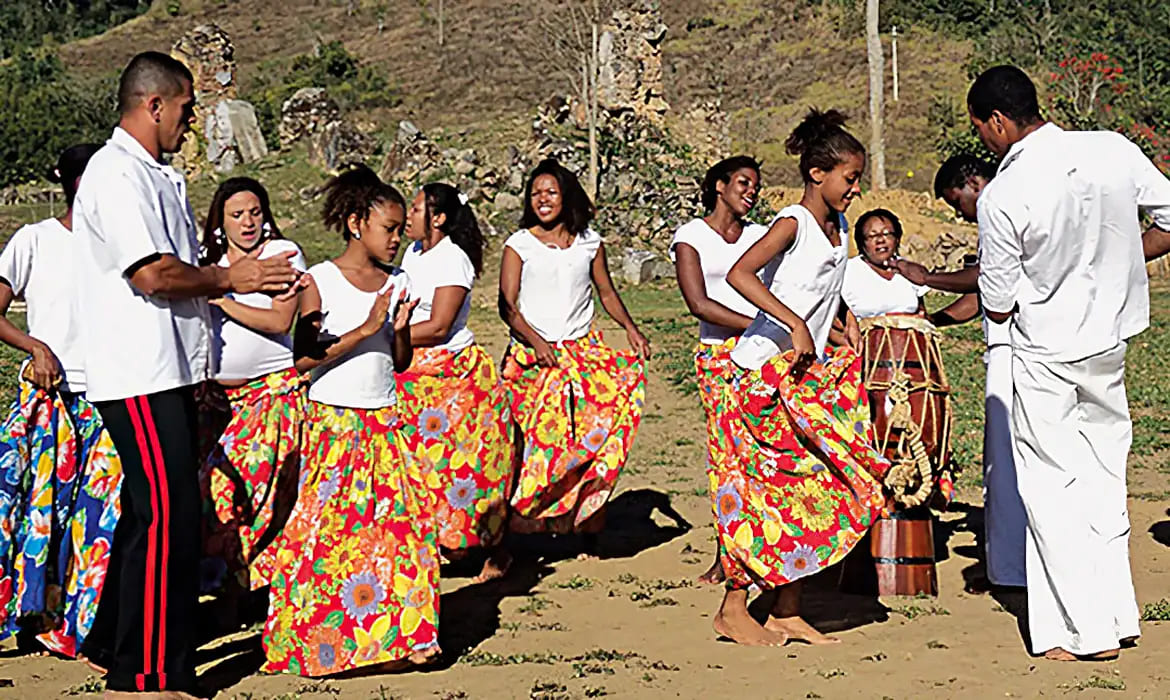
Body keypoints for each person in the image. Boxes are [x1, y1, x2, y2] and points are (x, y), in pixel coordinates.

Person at [73, 52, 297, 696]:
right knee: (169, 513)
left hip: (168, 366)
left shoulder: (156, 176)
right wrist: (236, 277)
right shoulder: (115, 174)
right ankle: (146, 669)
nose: (191, 119)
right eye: (186, 107)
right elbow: (153, 274)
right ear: (154, 105)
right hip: (136, 368)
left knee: (154, 508)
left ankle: (114, 637)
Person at [969, 65, 1170, 661]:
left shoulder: (1003, 193)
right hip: (1109, 347)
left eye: (983, 129)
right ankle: (1117, 615)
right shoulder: (1112, 149)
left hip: (1046, 355)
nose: (985, 139)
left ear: (999, 122)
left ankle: (1082, 633)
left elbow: (998, 301)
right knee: (1105, 481)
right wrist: (1116, 258)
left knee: (1052, 488)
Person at [715, 109, 890, 647]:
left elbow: (821, 295)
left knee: (813, 489)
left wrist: (839, 325)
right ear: (818, 173)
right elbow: (739, 273)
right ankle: (732, 607)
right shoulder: (791, 222)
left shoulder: (837, 228)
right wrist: (793, 323)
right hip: (758, 377)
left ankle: (787, 608)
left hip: (802, 378)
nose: (855, 189)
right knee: (760, 496)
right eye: (850, 178)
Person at [261, 165, 439, 677]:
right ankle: (316, 641)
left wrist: (398, 331)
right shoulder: (319, 280)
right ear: (357, 223)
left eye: (402, 226)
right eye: (389, 227)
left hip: (385, 419)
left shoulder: (400, 280)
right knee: (327, 537)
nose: (398, 237)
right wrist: (366, 329)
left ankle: (414, 634)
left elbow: (399, 360)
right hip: (334, 423)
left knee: (403, 530)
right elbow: (304, 358)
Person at [0, 144, 122, 659]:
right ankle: (20, 613)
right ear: (69, 183)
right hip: (48, 399)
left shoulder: (118, 249)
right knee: (28, 511)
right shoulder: (34, 240)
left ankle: (71, 626)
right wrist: (35, 346)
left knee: (94, 521)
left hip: (106, 399)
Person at [498, 158, 650, 557]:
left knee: (588, 440)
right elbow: (507, 305)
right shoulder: (520, 245)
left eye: (550, 192)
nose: (542, 200)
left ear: (566, 197)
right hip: (533, 361)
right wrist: (534, 340)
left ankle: (585, 520)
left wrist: (631, 329)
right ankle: (516, 532)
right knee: (527, 448)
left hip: (584, 357)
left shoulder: (589, 243)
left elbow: (608, 293)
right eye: (535, 194)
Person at [905, 154, 1027, 591]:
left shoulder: (999, 204)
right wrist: (932, 322)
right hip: (1015, 347)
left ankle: (1013, 570)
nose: (961, 214)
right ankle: (1011, 562)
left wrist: (928, 277)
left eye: (959, 203)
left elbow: (981, 279)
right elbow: (982, 294)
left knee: (1009, 463)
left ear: (974, 182)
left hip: (1017, 350)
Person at [197, 177, 310, 617]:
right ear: (220, 223)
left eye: (255, 212)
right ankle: (232, 584)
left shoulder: (282, 255)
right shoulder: (210, 264)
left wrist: (223, 301)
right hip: (217, 401)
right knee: (213, 494)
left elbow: (281, 320)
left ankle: (251, 588)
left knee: (252, 495)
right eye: (237, 214)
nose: (247, 222)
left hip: (270, 394)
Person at [396, 183, 512, 583]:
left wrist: (384, 334)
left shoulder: (452, 261)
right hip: (412, 373)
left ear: (438, 218)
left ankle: (496, 548)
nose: (408, 216)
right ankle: (438, 541)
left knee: (468, 467)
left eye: (414, 209)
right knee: (421, 467)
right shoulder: (412, 253)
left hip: (452, 376)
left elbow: (440, 325)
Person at [669, 155, 768, 585]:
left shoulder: (762, 237)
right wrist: (759, 325)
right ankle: (726, 552)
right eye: (744, 183)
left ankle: (765, 547)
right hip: (720, 356)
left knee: (761, 452)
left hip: (765, 354)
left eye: (756, 186)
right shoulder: (691, 236)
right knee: (726, 455)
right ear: (719, 187)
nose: (751, 192)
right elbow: (699, 303)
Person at [840, 208, 927, 320]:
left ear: (897, 239)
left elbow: (922, 314)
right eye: (872, 236)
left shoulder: (909, 269)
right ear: (861, 243)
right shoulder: (847, 272)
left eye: (887, 234)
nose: (880, 240)